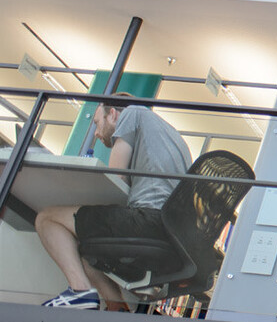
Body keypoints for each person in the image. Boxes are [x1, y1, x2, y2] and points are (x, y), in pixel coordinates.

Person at [35, 95, 193, 310]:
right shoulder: (172, 136)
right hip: (170, 231)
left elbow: (115, 177)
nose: (96, 133)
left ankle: (80, 292)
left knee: (46, 218)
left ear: (113, 114)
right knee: (82, 240)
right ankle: (117, 308)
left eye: (97, 123)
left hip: (148, 220)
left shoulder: (133, 112)